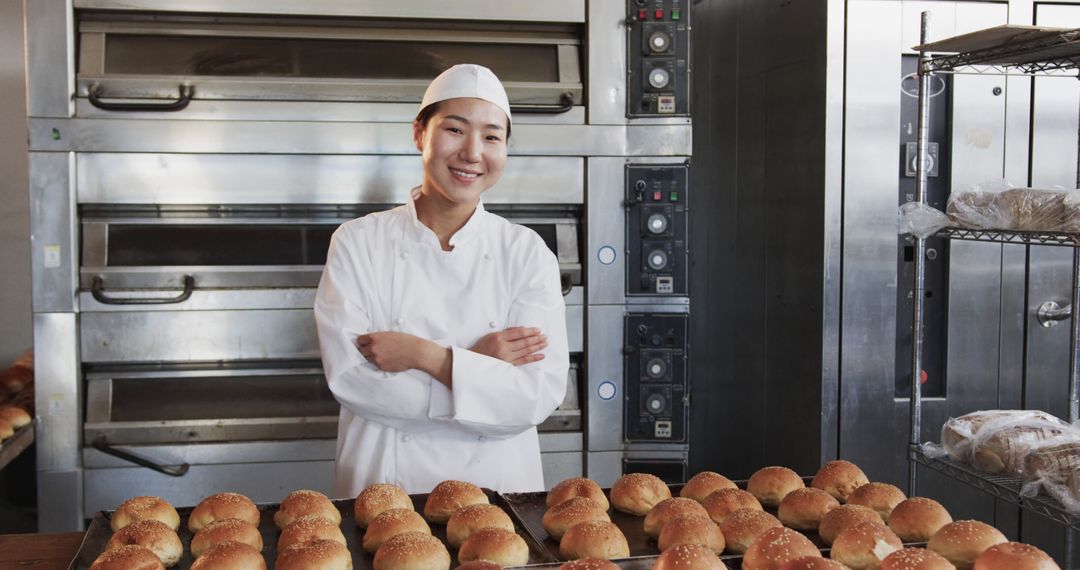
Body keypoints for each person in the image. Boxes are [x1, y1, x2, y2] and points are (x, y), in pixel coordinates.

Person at [314, 64, 570, 497]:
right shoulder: (358, 242)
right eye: (455, 129)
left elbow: (531, 398)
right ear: (419, 134)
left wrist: (428, 356)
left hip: (498, 495)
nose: (472, 153)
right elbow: (352, 381)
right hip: (385, 488)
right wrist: (478, 369)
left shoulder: (526, 254)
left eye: (491, 137)